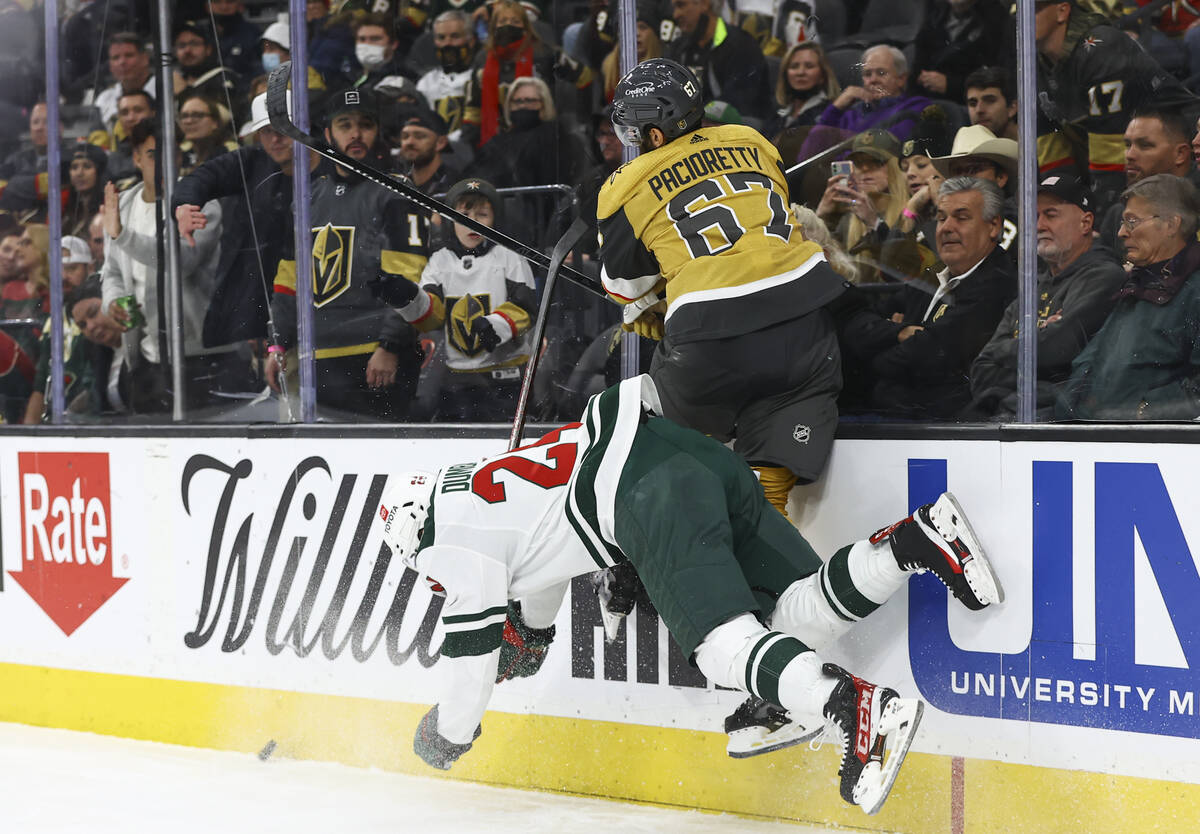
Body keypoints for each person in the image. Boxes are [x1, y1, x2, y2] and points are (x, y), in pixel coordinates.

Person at [386, 373, 1004, 815]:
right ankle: (915, 542)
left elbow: (469, 662)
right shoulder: (479, 488)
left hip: (647, 495)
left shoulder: (447, 543)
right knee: (794, 619)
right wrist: (536, 631)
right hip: (686, 450)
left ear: (419, 538)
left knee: (720, 648)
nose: (432, 575)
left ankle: (854, 708)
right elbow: (537, 575)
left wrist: (449, 734)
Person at [599, 58, 847, 519]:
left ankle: (665, 565)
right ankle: (770, 542)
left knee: (665, 450)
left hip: (711, 336)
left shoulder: (624, 187)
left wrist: (660, 311)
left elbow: (625, 289)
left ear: (654, 134)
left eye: (633, 131)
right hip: (805, 316)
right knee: (787, 411)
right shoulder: (754, 141)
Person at [266, 88, 429, 422]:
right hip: (318, 356)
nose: (356, 134)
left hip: (376, 356)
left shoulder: (397, 193)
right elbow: (287, 281)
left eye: (365, 124)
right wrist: (278, 345)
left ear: (377, 132)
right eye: (345, 125)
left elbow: (410, 279)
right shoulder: (307, 198)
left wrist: (391, 346)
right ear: (328, 134)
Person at [100, 121, 244, 415]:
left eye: (171, 153)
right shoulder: (123, 205)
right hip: (147, 358)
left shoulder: (200, 201)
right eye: (153, 155)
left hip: (202, 356)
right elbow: (112, 271)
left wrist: (122, 235)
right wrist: (112, 302)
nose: (164, 162)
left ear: (180, 156)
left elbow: (181, 261)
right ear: (137, 158)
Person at [852, 176, 1016, 419]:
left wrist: (874, 351)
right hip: (893, 415)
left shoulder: (998, 282)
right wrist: (899, 333)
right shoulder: (932, 275)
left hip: (948, 428)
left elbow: (927, 357)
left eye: (961, 218)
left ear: (993, 226)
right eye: (941, 218)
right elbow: (856, 323)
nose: (946, 228)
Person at [968, 174, 1125, 419]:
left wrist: (1007, 353)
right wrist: (1039, 340)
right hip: (1009, 419)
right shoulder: (1035, 284)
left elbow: (1054, 351)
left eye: (1051, 215)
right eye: (1035, 216)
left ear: (1085, 223)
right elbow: (981, 369)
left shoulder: (1104, 277)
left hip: (1059, 429)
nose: (1039, 225)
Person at [383, 178, 536, 421]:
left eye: (482, 214)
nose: (472, 222)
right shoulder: (440, 261)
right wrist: (407, 298)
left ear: (496, 218)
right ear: (449, 219)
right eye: (463, 214)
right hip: (456, 378)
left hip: (507, 377)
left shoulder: (509, 256)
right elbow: (432, 315)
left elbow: (525, 306)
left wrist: (496, 325)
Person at [1056, 174, 1200, 420]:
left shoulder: (1194, 290)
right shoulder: (1137, 285)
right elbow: (1090, 364)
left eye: (1132, 221)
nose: (1121, 232)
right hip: (1095, 441)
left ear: (1171, 225)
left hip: (1150, 448)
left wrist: (1141, 411)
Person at [1035, 0, 1200, 212]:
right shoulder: (1031, 62)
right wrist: (1060, 206)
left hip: (1186, 151)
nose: (1021, 20)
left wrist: (1101, 219)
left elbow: (1110, 158)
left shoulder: (1099, 50)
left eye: (1035, 9)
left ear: (1062, 11)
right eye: (1017, 12)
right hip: (1134, 161)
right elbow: (1052, 150)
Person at [173, 90, 300, 350]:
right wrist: (185, 204)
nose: (275, 138)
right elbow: (203, 177)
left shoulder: (326, 168)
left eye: (282, 128)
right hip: (252, 301)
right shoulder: (252, 161)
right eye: (266, 131)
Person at [460, 1, 593, 149]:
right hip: (496, 141)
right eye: (502, 21)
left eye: (515, 21)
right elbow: (473, 108)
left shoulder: (545, 53)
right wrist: (466, 144)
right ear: (493, 26)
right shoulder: (482, 59)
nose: (508, 25)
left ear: (525, 26)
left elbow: (584, 77)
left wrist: (583, 119)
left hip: (542, 136)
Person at [1097, 106, 1200, 256]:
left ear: (1180, 154)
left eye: (1145, 146)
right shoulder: (1118, 213)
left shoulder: (1195, 207)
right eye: (1127, 145)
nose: (1129, 155)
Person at [802, 45, 933, 157]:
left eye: (881, 73)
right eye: (867, 74)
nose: (873, 80)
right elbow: (807, 155)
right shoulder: (851, 114)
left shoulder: (916, 107)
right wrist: (835, 108)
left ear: (901, 79)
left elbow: (883, 151)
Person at [815, 129, 909, 283]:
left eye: (875, 162)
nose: (865, 169)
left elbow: (907, 269)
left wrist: (874, 223)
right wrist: (822, 217)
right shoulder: (848, 219)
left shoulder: (910, 213)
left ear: (895, 167)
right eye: (858, 163)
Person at [22, 237, 96, 423]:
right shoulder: (52, 321)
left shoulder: (97, 318)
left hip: (90, 421)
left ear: (91, 269)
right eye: (58, 269)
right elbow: (41, 385)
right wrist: (28, 434)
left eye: (71, 269)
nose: (63, 276)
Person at [667, 0, 772, 121]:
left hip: (735, 129)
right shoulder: (679, 48)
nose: (676, 15)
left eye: (681, 5)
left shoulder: (741, 45)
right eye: (674, 7)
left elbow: (737, 104)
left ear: (705, 3)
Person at [930, 124, 1019, 257]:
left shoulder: (1018, 218)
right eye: (958, 172)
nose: (965, 179)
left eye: (974, 170)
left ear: (1000, 178)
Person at [909, 0, 1010, 102]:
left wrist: (950, 85)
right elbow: (916, 73)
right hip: (927, 104)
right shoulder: (933, 18)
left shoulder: (997, 22)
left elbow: (999, 78)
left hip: (970, 106)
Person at [417, 10, 479, 139]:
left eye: (455, 36)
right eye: (441, 37)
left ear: (471, 41)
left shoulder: (481, 77)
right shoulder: (426, 83)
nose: (447, 43)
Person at [764, 42, 841, 143]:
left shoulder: (830, 113)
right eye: (794, 66)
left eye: (809, 66)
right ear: (785, 75)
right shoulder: (777, 114)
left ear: (823, 75)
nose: (800, 72)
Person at [89, 34, 155, 131]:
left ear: (144, 59)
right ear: (110, 66)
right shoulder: (104, 100)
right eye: (116, 58)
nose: (122, 62)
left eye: (129, 55)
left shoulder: (166, 90)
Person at [172, 19, 241, 108]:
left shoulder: (223, 78)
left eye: (194, 44)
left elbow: (224, 115)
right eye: (181, 45)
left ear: (208, 49)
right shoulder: (175, 81)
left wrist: (183, 93)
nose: (187, 50)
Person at [393, 108, 459, 196]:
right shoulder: (396, 183)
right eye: (405, 136)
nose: (410, 142)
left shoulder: (455, 188)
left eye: (419, 136)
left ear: (440, 143)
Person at [177, 93, 238, 175]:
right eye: (184, 116)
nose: (189, 121)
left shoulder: (230, 152)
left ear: (215, 122)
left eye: (197, 115)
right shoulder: (180, 153)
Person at [206, 0, 263, 80]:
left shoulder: (253, 33)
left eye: (230, 2)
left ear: (240, 6)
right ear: (208, 6)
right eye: (217, 2)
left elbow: (259, 68)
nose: (224, 7)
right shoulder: (199, 35)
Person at [964, 66, 1017, 141]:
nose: (979, 110)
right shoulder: (963, 149)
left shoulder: (1035, 149)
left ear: (1012, 108)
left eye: (989, 101)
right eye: (973, 103)